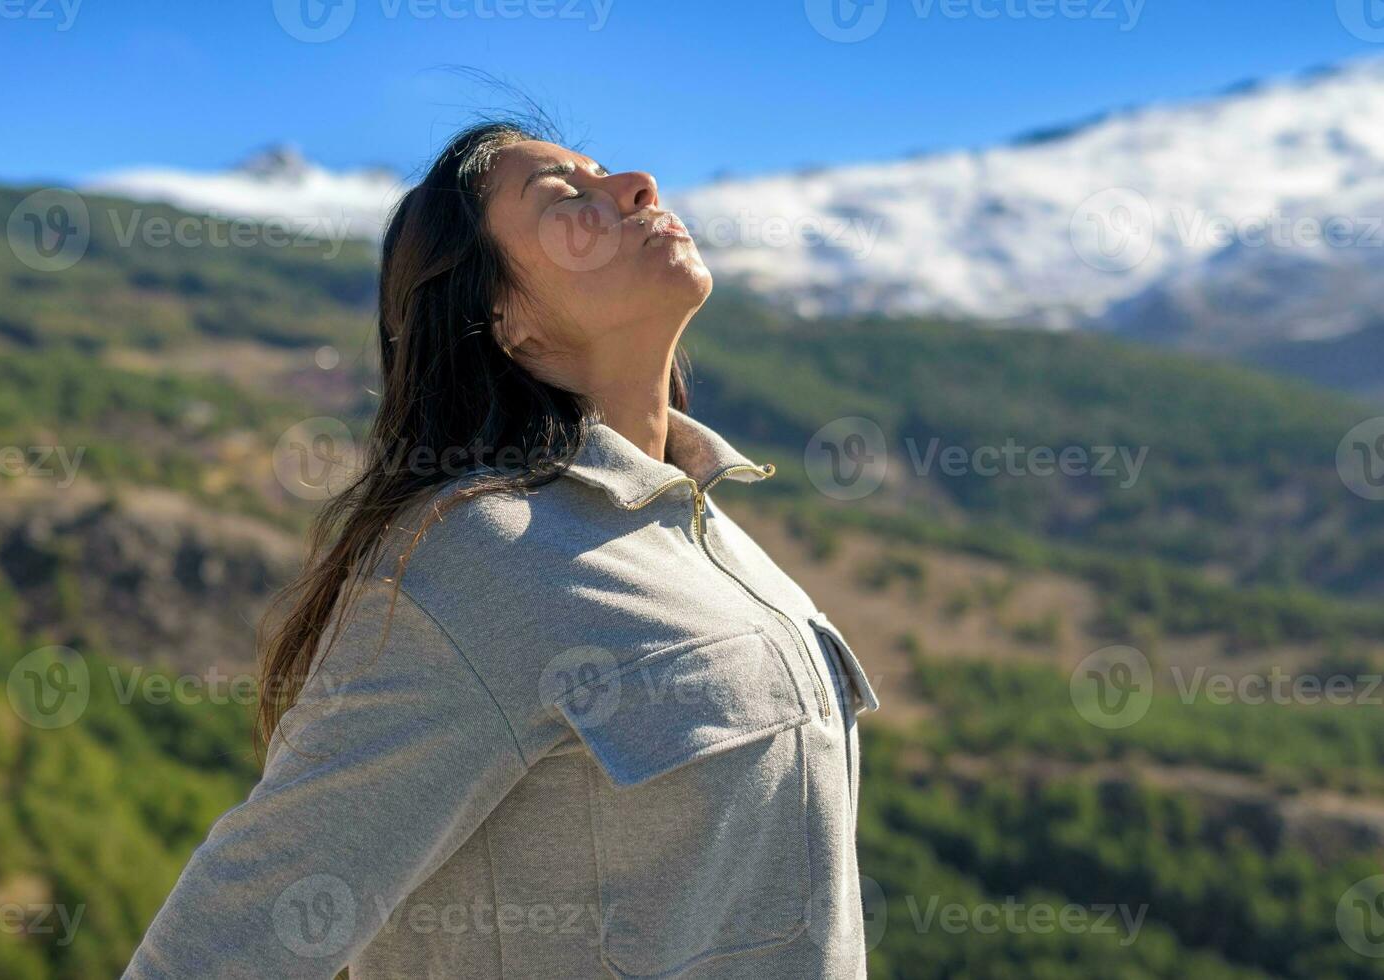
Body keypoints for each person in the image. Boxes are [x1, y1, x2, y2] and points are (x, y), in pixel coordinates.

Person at [123, 119, 880, 979]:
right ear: (506, 318)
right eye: (567, 197)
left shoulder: (722, 540)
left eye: (607, 173)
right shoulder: (476, 560)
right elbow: (226, 940)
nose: (638, 184)